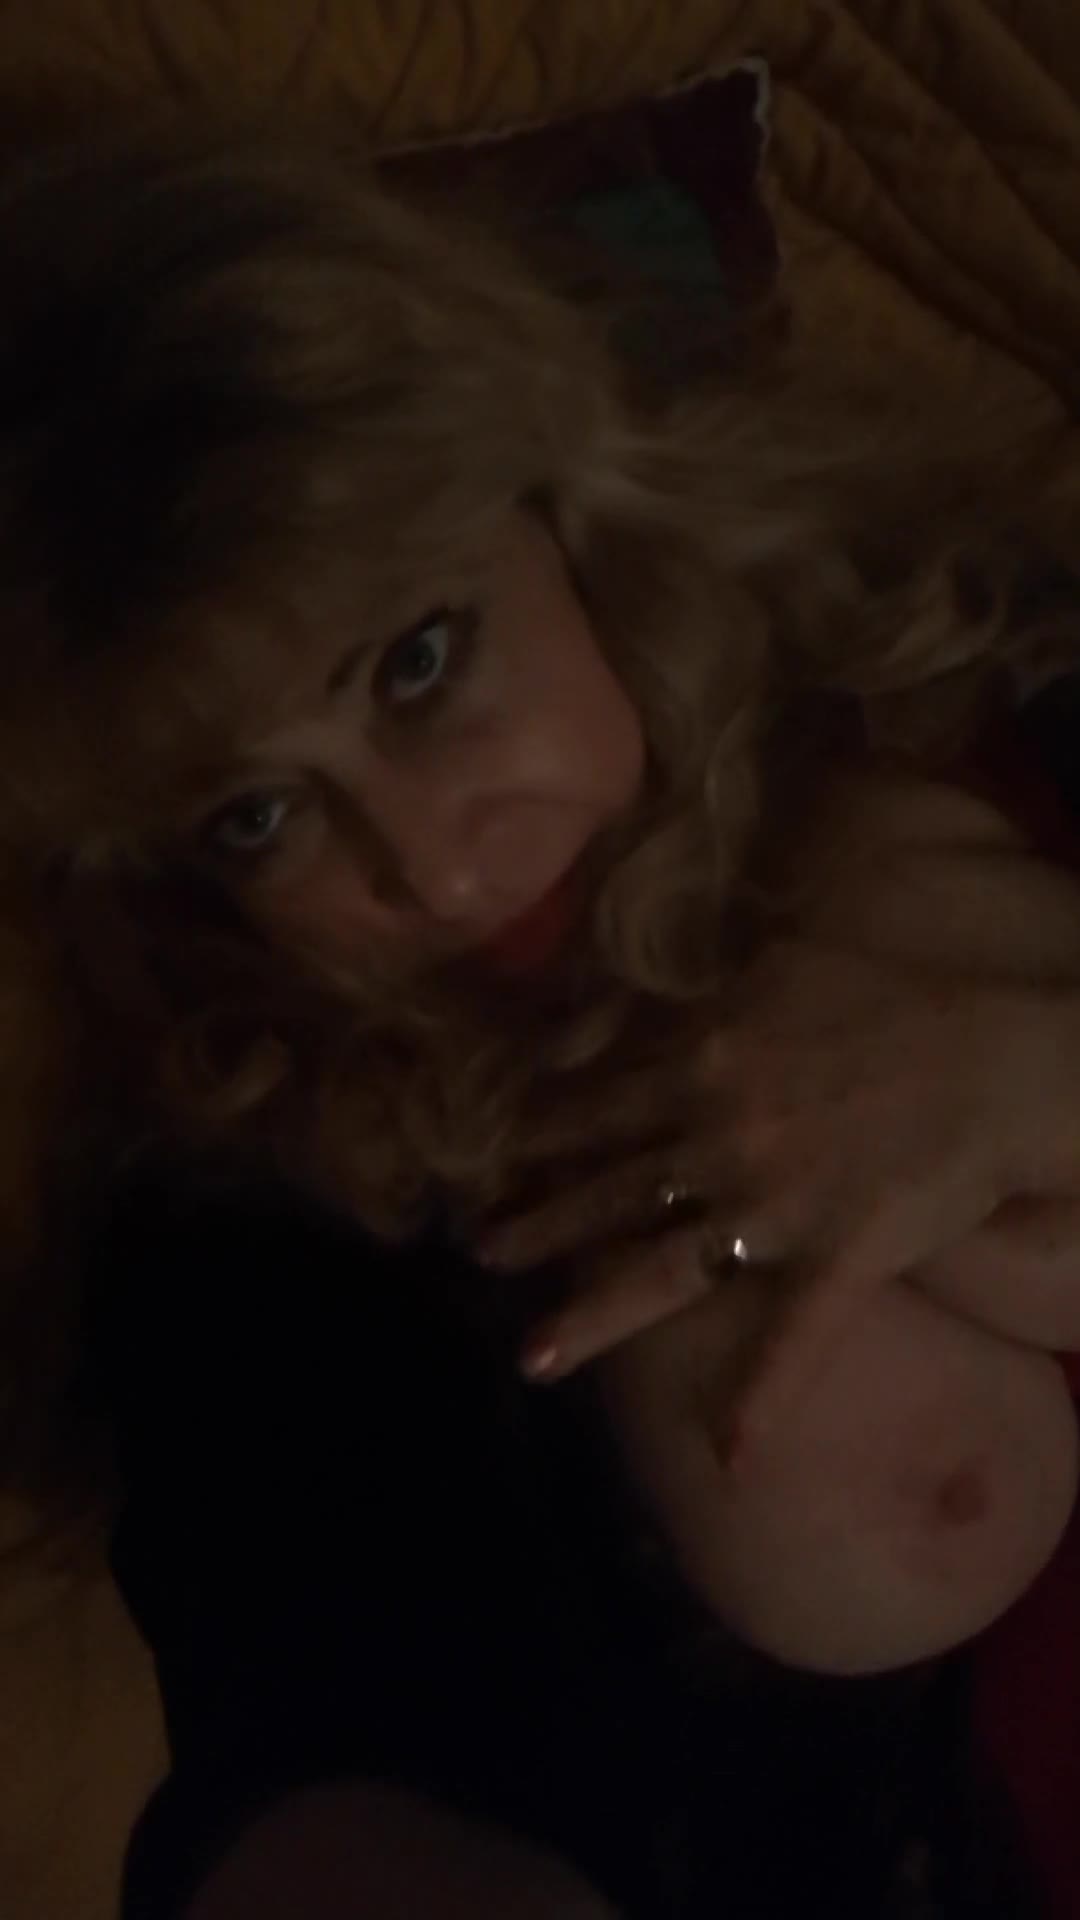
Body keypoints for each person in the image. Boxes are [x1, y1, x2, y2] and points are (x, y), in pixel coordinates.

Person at [2, 122, 1080, 1911]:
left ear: (562, 501)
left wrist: (1040, 1072)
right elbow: (309, 1703)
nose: (429, 872)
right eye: (256, 817)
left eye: (420, 662)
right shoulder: (279, 1205)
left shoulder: (980, 693)